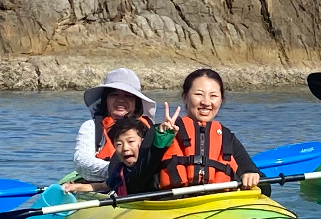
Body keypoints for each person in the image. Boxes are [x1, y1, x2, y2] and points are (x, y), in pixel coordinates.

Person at [128, 68, 264, 193]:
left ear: (221, 100)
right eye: (199, 94)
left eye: (213, 96)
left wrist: (251, 176)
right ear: (185, 97)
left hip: (219, 205)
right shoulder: (160, 132)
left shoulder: (227, 138)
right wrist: (159, 146)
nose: (206, 102)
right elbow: (133, 186)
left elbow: (265, 187)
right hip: (172, 207)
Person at [74, 69, 155, 181]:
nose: (121, 100)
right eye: (114, 94)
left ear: (136, 102)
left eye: (128, 96)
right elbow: (82, 163)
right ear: (105, 100)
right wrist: (121, 170)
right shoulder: (91, 127)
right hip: (104, 186)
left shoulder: (148, 128)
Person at [62, 116, 147, 197]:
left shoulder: (151, 165)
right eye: (119, 144)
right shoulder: (120, 170)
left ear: (144, 142)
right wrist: (76, 187)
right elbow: (103, 186)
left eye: (131, 141)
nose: (125, 148)